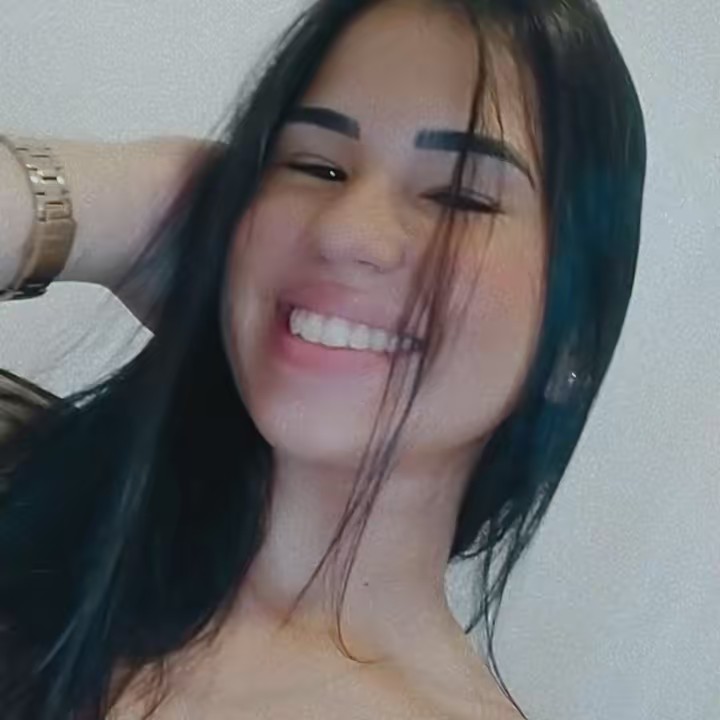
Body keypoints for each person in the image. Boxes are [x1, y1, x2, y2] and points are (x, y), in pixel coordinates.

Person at [0, 0, 647, 718]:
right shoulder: (30, 494)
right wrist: (117, 205)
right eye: (316, 166)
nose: (346, 230)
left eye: (459, 196)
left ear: (574, 342)